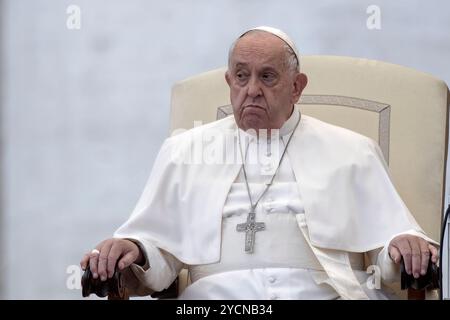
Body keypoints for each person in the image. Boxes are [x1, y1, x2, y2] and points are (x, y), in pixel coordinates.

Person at [80, 26, 439, 299]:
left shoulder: (353, 150)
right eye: (241, 76)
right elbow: (158, 250)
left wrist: (404, 244)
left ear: (297, 87)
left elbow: (386, 248)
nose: (251, 89)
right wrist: (135, 248)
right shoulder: (183, 150)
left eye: (267, 76)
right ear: (229, 81)